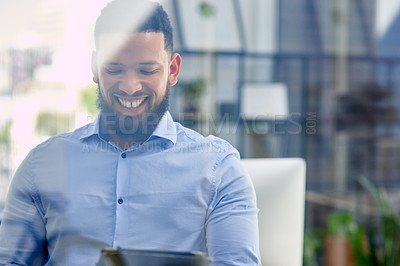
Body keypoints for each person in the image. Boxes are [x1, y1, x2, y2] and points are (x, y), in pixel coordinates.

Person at [0, 0, 261, 265]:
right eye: (114, 69)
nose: (130, 86)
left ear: (172, 70)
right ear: (95, 67)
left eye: (147, 70)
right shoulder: (41, 165)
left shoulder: (218, 169)